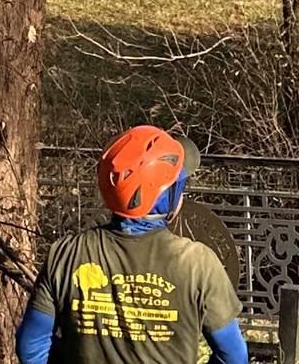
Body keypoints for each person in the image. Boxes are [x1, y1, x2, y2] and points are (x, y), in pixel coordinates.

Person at [17, 126, 248, 364]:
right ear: (167, 195)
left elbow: (30, 349)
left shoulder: (66, 254)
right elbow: (234, 357)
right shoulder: (198, 263)